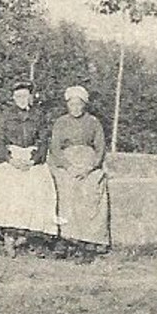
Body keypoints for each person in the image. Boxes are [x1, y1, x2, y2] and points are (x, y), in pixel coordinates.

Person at [0, 79, 57, 254]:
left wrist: (34, 159)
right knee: (8, 189)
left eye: (25, 96)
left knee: (42, 187)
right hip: (11, 158)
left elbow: (44, 141)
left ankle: (33, 236)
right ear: (13, 98)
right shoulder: (6, 116)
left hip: (31, 158)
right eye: (18, 96)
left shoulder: (39, 115)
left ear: (31, 97)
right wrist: (9, 159)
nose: (22, 99)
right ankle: (9, 236)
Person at [49, 85, 111, 255]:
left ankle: (91, 238)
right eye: (72, 104)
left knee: (93, 188)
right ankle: (67, 237)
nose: (75, 108)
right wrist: (68, 166)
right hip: (67, 163)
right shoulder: (61, 122)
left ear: (84, 105)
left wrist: (90, 167)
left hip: (88, 163)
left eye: (79, 104)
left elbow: (100, 147)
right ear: (67, 105)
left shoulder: (93, 122)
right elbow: (55, 147)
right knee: (65, 188)